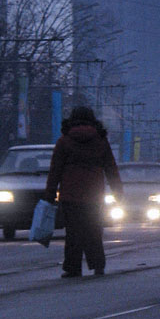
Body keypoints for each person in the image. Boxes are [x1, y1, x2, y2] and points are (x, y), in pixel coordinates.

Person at [44, 105, 122, 279]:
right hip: (94, 194)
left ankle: (73, 268)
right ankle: (98, 265)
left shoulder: (64, 141)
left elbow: (55, 170)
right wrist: (118, 192)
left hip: (70, 194)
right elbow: (111, 168)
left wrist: (49, 195)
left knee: (73, 232)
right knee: (94, 230)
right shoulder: (100, 141)